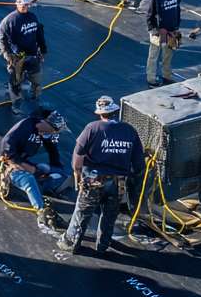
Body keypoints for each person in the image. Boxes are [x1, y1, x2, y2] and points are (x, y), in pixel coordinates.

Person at [60, 97, 145, 256]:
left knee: (83, 211)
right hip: (118, 181)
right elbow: (139, 163)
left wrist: (77, 173)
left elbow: (78, 154)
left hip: (93, 178)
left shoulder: (92, 128)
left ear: (100, 114)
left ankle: (71, 243)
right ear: (115, 111)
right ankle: (103, 245)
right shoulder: (129, 130)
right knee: (110, 214)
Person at [0, 108, 70, 229]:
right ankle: (41, 210)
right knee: (29, 180)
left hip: (24, 162)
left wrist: (57, 168)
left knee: (52, 171)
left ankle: (45, 187)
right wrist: (32, 170)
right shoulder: (24, 127)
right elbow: (8, 154)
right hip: (11, 165)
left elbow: (52, 150)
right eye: (55, 130)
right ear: (49, 125)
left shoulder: (44, 132)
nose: (55, 133)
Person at [0, 0, 46, 113]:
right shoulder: (10, 20)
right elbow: (0, 36)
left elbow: (39, 34)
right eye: (22, 4)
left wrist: (43, 50)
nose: (25, 7)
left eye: (27, 4)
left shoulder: (33, 17)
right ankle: (16, 104)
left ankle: (35, 97)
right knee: (15, 81)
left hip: (33, 56)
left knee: (37, 79)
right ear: (17, 4)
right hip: (17, 57)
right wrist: (7, 54)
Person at [145, 0, 184, 87]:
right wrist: (154, 31)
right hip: (159, 31)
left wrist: (176, 28)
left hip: (171, 30)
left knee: (168, 55)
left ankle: (166, 77)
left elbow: (177, 10)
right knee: (154, 56)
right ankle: (151, 79)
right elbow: (149, 15)